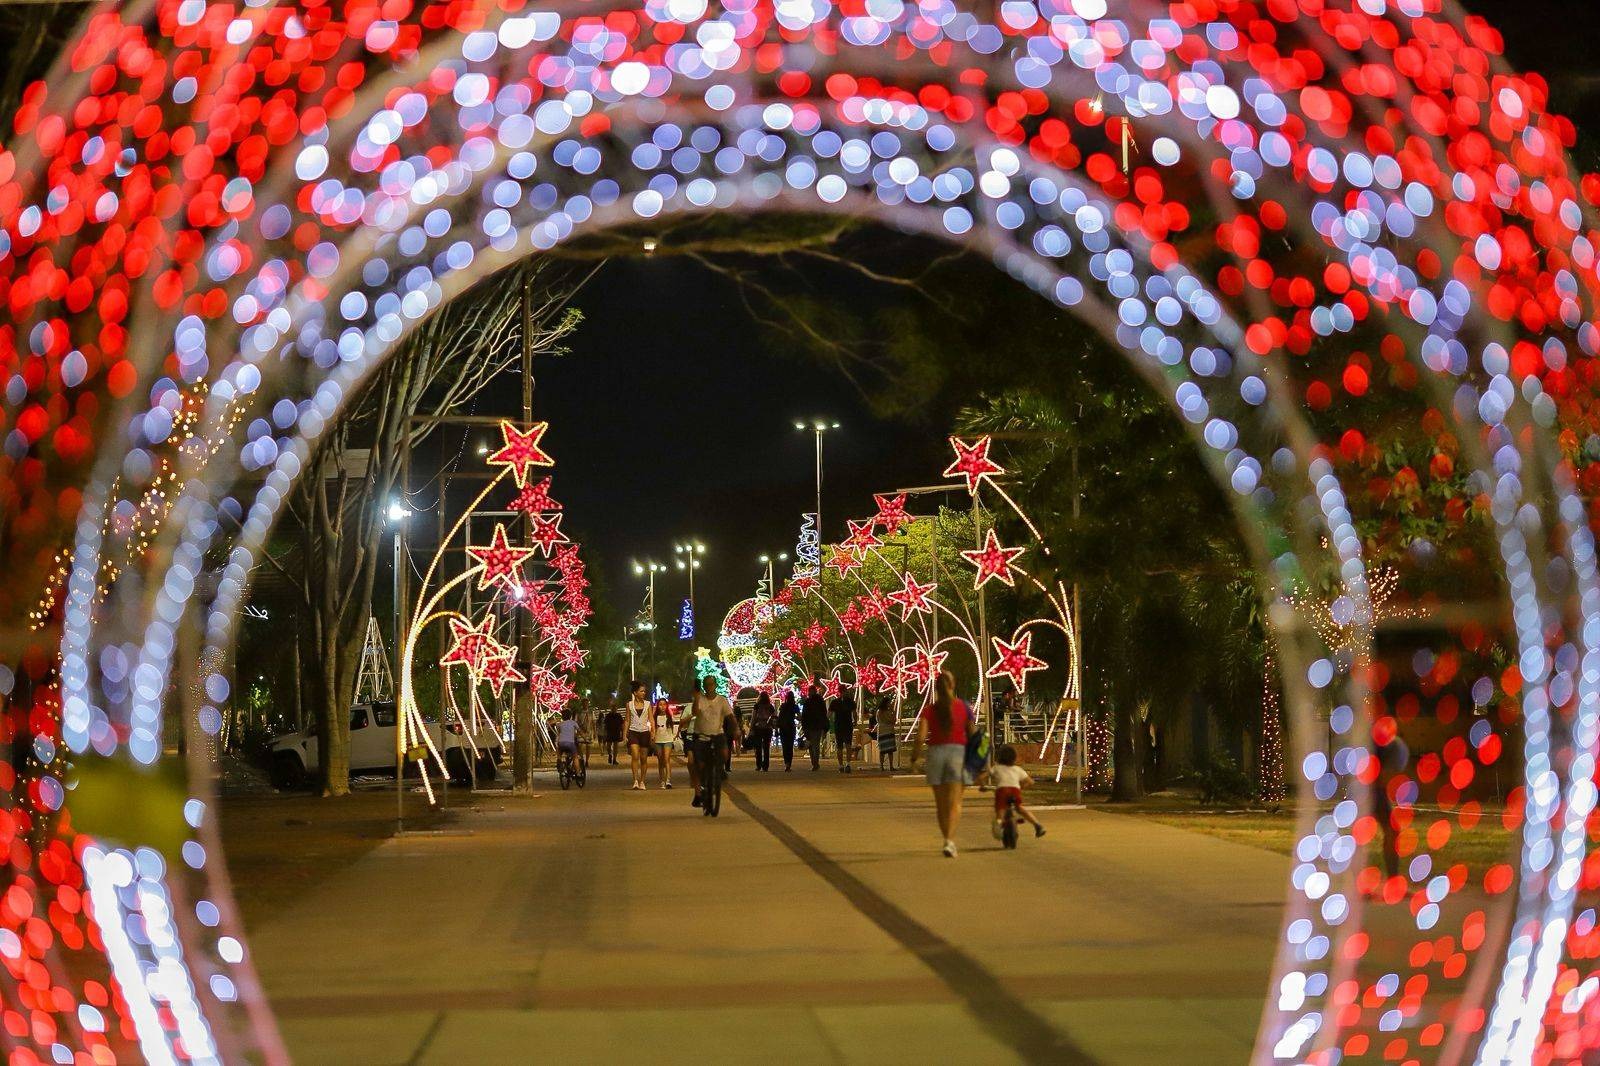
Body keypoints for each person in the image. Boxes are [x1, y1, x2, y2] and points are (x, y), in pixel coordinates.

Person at [911, 669, 971, 858]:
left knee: (941, 804)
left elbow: (920, 737)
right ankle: (949, 842)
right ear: (953, 685)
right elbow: (974, 734)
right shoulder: (964, 707)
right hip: (958, 754)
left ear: (936, 688)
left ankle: (947, 838)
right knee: (955, 803)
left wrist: (914, 757)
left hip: (936, 754)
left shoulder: (929, 710)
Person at [687, 675, 741, 810]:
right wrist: (696, 697)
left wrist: (736, 730)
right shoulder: (700, 699)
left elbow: (731, 717)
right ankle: (698, 793)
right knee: (696, 764)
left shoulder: (722, 700)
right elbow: (695, 712)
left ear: (715, 685)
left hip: (717, 734)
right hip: (701, 736)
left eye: (711, 684)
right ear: (704, 687)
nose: (709, 687)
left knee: (724, 752)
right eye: (707, 685)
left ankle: (720, 769)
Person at [979, 744, 1045, 839]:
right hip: (1015, 791)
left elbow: (981, 777)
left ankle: (999, 829)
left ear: (999, 757)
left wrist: (983, 786)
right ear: (1014, 758)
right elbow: (1030, 782)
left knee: (1000, 810)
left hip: (1002, 791)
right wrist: (1020, 787)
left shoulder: (996, 768)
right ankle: (1037, 825)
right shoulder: (1018, 769)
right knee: (1019, 808)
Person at [624, 681, 653, 791]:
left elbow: (651, 719)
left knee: (644, 758)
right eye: (641, 691)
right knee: (635, 755)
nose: (643, 693)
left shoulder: (648, 704)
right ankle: (635, 780)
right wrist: (624, 734)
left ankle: (642, 781)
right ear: (635, 693)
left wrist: (653, 732)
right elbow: (627, 720)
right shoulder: (629, 705)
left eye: (644, 691)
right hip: (633, 732)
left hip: (645, 732)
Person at [800, 683, 829, 771]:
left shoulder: (808, 701)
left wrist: (804, 726)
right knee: (814, 745)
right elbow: (824, 714)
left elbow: (804, 715)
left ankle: (814, 763)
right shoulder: (820, 701)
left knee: (812, 745)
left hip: (812, 726)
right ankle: (815, 763)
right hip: (816, 726)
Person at [652, 697, 678, 789]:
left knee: (667, 759)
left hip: (668, 739)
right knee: (660, 760)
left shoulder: (669, 716)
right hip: (658, 740)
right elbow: (652, 729)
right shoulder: (655, 717)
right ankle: (662, 780)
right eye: (660, 705)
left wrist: (674, 737)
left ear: (666, 706)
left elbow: (673, 728)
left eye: (664, 704)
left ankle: (668, 780)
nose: (662, 707)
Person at [830, 687, 856, 773]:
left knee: (842, 746)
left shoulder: (835, 702)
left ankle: (843, 765)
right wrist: (854, 721)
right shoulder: (849, 702)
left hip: (840, 725)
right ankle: (844, 764)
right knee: (844, 746)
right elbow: (854, 713)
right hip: (845, 725)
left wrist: (831, 721)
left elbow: (829, 714)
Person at [749, 692, 776, 771]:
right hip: (768, 728)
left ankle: (759, 765)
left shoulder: (757, 706)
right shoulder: (770, 706)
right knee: (766, 747)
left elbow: (753, 717)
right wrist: (774, 726)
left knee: (758, 747)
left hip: (758, 728)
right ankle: (766, 766)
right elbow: (774, 716)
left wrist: (751, 728)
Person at [555, 708, 581, 775]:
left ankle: (559, 760)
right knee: (575, 757)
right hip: (570, 744)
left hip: (561, 743)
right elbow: (580, 732)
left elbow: (559, 733)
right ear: (570, 716)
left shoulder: (559, 724)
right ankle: (578, 773)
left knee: (559, 750)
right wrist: (585, 739)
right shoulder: (573, 723)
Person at [778, 690, 799, 771]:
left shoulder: (783, 706)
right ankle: (789, 764)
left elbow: (779, 716)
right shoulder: (795, 706)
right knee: (790, 746)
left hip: (783, 728)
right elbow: (799, 717)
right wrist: (794, 717)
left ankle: (786, 763)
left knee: (784, 746)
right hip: (791, 727)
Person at [876, 697, 898, 771]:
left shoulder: (879, 712)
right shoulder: (885, 712)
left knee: (883, 750)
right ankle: (889, 766)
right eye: (889, 702)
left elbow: (892, 720)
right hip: (887, 731)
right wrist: (893, 711)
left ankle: (882, 766)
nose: (890, 704)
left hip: (883, 731)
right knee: (889, 750)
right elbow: (892, 720)